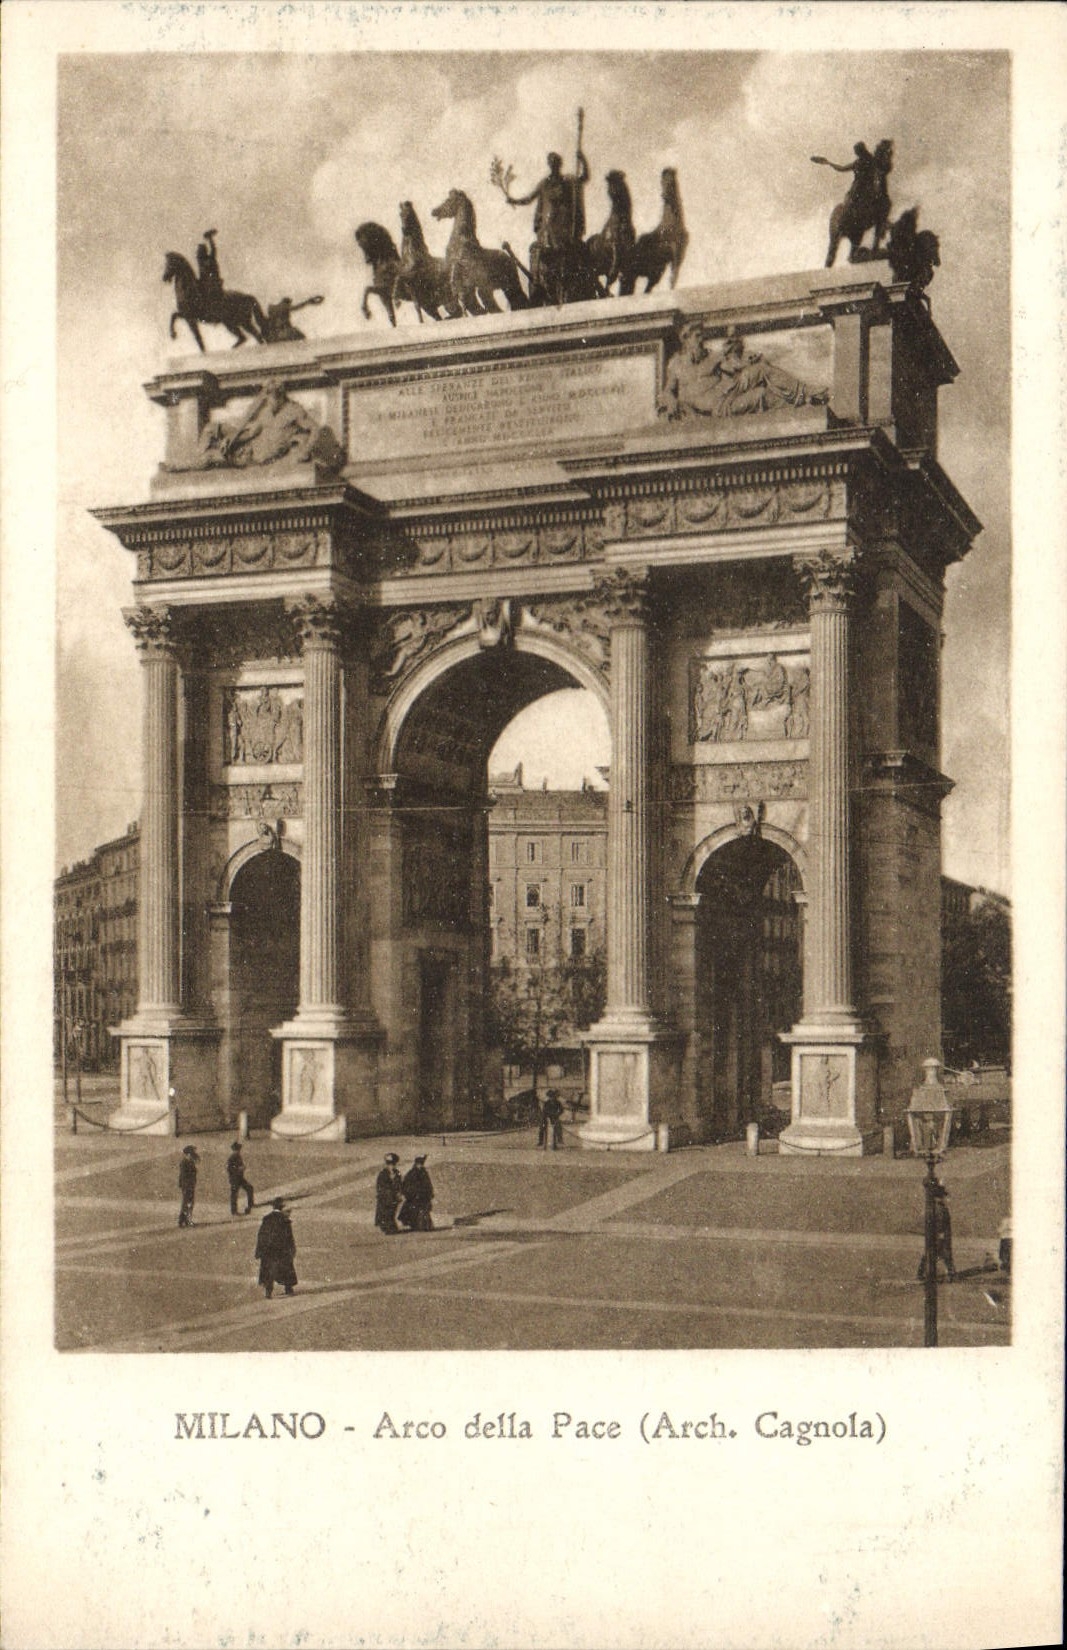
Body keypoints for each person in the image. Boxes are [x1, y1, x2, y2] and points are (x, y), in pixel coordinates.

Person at [504, 147, 590, 298]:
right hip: (547, 228)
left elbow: (584, 177)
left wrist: (582, 159)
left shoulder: (567, 181)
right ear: (549, 165)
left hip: (564, 227)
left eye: (556, 163)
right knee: (539, 249)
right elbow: (529, 198)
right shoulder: (544, 184)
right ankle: (539, 278)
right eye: (552, 163)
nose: (554, 165)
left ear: (559, 164)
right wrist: (514, 200)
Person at [254, 1198, 297, 1298]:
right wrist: (292, 1249)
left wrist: (259, 1250)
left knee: (268, 1271)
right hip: (281, 1250)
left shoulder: (266, 1218)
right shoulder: (284, 1220)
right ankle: (288, 1288)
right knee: (286, 1269)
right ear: (282, 1208)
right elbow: (288, 1237)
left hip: (267, 1250)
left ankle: (268, 1292)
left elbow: (261, 1235)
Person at [917, 1182, 957, 1282]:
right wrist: (940, 1233)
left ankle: (921, 1273)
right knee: (944, 1255)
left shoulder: (935, 1207)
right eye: (944, 1196)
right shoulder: (940, 1208)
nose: (946, 1199)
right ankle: (951, 1274)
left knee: (930, 1254)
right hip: (940, 1237)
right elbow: (940, 1223)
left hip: (938, 1236)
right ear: (941, 1197)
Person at [398, 1156, 435, 1232]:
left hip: (423, 1196)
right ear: (416, 1164)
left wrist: (430, 1192)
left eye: (421, 1164)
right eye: (419, 1164)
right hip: (414, 1196)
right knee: (414, 1211)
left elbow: (428, 1184)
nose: (420, 1165)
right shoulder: (411, 1173)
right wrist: (409, 1193)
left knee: (423, 1211)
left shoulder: (424, 1173)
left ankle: (424, 1226)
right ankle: (416, 1225)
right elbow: (406, 1184)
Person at [374, 1153, 403, 1234]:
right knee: (385, 1212)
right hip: (385, 1198)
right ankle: (387, 1228)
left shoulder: (397, 1173)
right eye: (390, 1164)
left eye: (394, 1164)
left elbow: (400, 1183)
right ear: (387, 1164)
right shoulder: (383, 1174)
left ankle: (391, 1227)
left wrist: (399, 1193)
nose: (392, 1166)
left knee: (392, 1212)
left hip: (394, 1197)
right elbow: (380, 1186)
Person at [196, 228, 223, 310]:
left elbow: (214, 250)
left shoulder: (210, 259)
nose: (198, 253)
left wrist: (210, 238)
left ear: (204, 252)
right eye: (198, 251)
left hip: (213, 283)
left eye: (200, 251)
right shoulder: (201, 261)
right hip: (204, 283)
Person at [226, 1141, 254, 1217]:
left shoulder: (238, 1156)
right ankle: (234, 1211)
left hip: (240, 1178)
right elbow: (229, 1168)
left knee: (250, 1188)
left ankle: (251, 1204)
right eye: (238, 1149)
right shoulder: (232, 1157)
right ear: (235, 1149)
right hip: (234, 1179)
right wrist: (239, 1169)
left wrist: (242, 1168)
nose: (239, 1150)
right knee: (234, 1194)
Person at [177, 1145, 199, 1228]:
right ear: (188, 1154)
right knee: (187, 1203)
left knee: (189, 1203)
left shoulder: (190, 1162)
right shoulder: (184, 1162)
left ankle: (186, 1220)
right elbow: (183, 1176)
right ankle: (183, 1220)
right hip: (187, 1186)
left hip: (190, 1185)